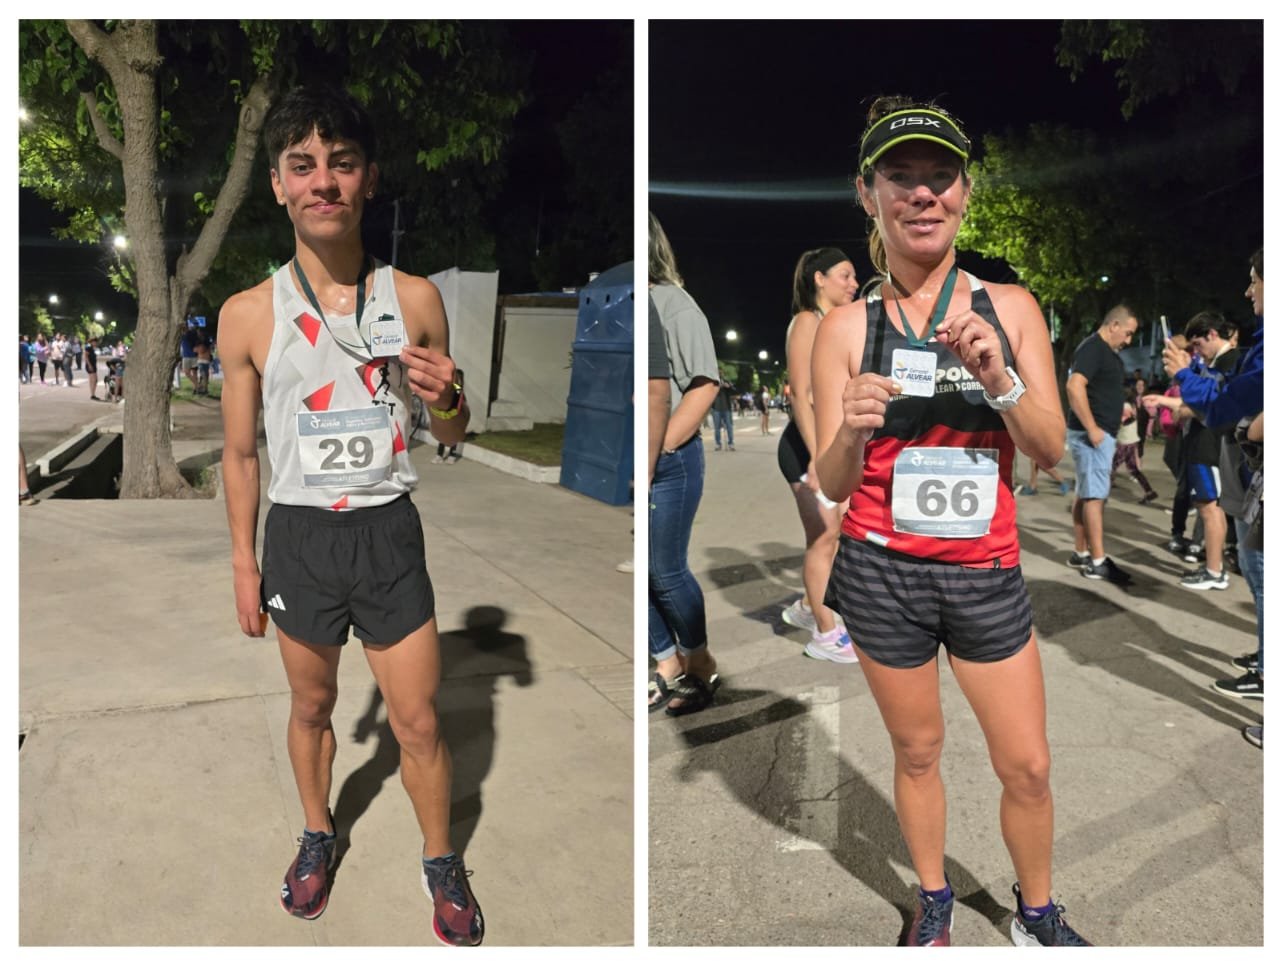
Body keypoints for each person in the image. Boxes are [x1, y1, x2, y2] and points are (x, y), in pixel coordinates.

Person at [813, 96, 1090, 946]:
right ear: (869, 194)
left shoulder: (1011, 307)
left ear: (966, 192)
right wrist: (853, 429)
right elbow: (829, 483)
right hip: (883, 570)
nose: (922, 194)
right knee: (919, 752)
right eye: (903, 177)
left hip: (983, 568)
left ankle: (1035, 911)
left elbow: (1050, 450)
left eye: (940, 178)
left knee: (1028, 765)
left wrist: (1002, 379)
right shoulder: (846, 327)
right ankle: (933, 899)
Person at [217, 85, 482, 945]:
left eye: (340, 163)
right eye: (304, 166)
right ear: (279, 186)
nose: (323, 181)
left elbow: (450, 428)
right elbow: (241, 454)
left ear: (367, 179)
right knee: (312, 707)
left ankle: (440, 860)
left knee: (417, 719)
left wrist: (451, 402)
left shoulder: (414, 298)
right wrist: (245, 564)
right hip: (299, 536)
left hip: (388, 532)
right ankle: (317, 831)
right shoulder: (248, 314)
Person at [647, 212, 721, 717]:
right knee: (644, 575)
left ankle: (699, 665)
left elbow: (704, 383)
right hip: (640, 458)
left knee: (666, 569)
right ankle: (666, 664)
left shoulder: (673, 302)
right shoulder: (636, 304)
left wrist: (664, 448)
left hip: (671, 457)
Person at [778, 247, 858, 663]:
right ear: (819, 279)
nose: (854, 283)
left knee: (839, 535)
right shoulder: (807, 321)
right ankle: (825, 637)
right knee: (824, 538)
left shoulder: (836, 323)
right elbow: (801, 396)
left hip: (831, 448)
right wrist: (816, 457)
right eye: (844, 275)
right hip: (806, 448)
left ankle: (809, 607)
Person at [1065, 305, 1140, 583]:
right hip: (1092, 436)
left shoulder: (1103, 351)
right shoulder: (1093, 348)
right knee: (1095, 497)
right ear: (1114, 326)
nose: (1129, 340)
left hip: (1098, 431)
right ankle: (1097, 561)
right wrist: (1093, 427)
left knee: (1086, 494)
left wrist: (1118, 408)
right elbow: (1075, 386)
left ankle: (1081, 553)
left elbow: (1096, 389)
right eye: (1128, 333)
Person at [1110, 389, 1158, 505]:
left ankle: (1100, 494)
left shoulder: (1125, 406)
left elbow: (1123, 421)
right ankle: (1149, 491)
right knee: (1133, 469)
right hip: (1130, 441)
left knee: (1111, 467)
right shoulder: (1133, 405)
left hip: (1125, 442)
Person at [710, 376, 735, 451]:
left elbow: (734, 391)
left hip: (726, 408)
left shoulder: (726, 382)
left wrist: (728, 386)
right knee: (717, 428)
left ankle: (731, 443)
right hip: (716, 409)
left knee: (729, 426)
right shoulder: (712, 383)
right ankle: (718, 444)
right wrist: (717, 386)